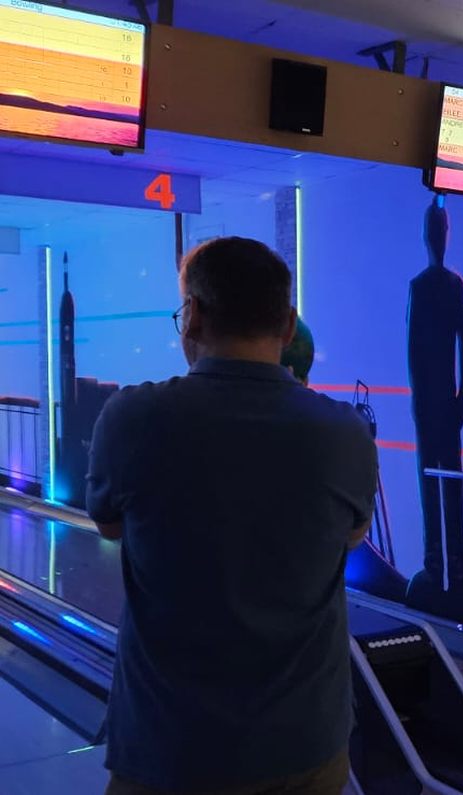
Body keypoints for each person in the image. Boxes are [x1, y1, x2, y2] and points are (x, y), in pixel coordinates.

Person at [87, 237, 378, 795]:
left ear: (193, 315)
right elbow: (350, 536)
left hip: (172, 750)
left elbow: (109, 525)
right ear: (288, 326)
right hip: (306, 747)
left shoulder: (133, 418)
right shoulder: (346, 432)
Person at [405, 198, 463, 608]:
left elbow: (461, 343)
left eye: (440, 231)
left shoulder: (442, 285)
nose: (438, 239)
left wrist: (461, 393)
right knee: (438, 483)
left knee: (443, 482)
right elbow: (418, 350)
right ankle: (440, 569)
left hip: (440, 400)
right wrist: (458, 394)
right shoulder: (433, 286)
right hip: (437, 400)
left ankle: (452, 571)